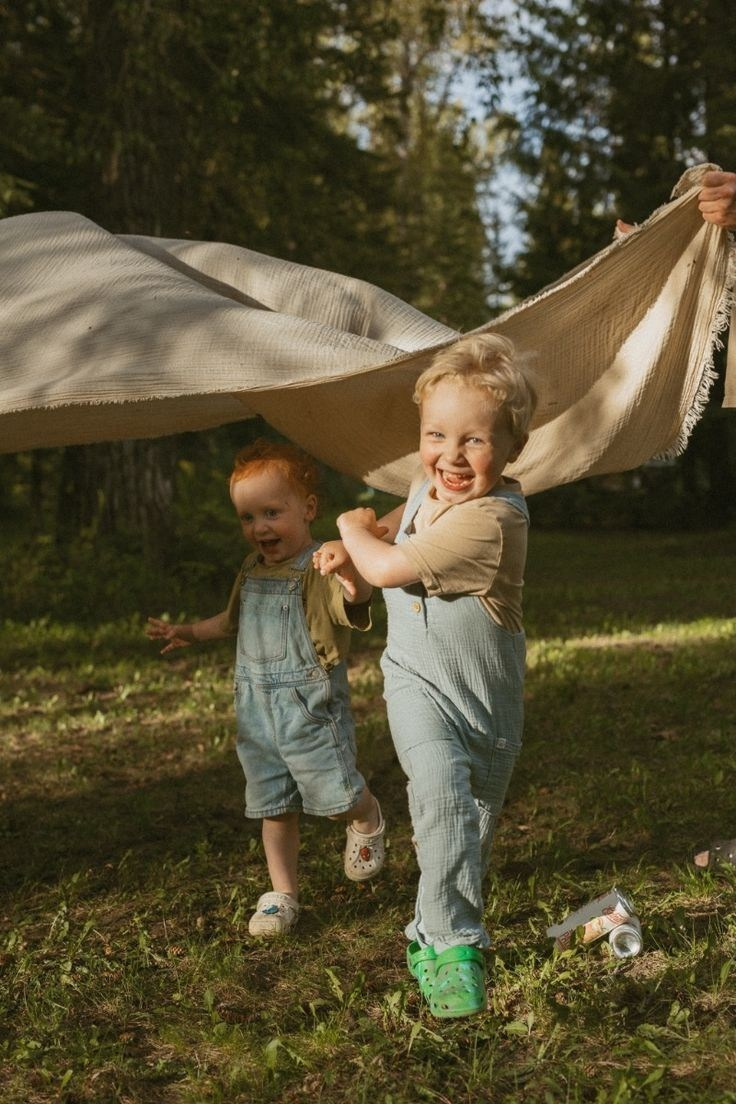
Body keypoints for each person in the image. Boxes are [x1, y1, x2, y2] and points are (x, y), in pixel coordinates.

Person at [315, 333, 537, 1019]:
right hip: (416, 684)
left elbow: (384, 561)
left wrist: (351, 526)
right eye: (436, 435)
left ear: (510, 447)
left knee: (461, 834)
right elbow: (378, 563)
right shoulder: (421, 489)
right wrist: (349, 561)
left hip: (487, 715)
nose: (451, 455)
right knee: (438, 791)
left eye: (475, 440)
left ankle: (427, 931)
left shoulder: (493, 522)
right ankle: (456, 947)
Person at [147, 439, 385, 937]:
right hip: (256, 710)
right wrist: (186, 632)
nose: (259, 528)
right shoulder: (252, 569)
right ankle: (283, 895)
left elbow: (357, 599)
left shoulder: (322, 564)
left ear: (308, 509)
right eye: (247, 517)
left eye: (271, 512)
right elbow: (231, 621)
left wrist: (348, 572)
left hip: (309, 706)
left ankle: (365, 816)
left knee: (335, 792)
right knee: (273, 805)